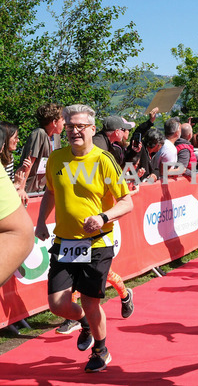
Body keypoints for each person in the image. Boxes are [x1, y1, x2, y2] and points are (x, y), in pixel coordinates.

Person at [34, 104, 133, 373]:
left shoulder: (104, 160)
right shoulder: (57, 158)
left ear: (92, 129)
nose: (74, 131)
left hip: (98, 241)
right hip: (65, 242)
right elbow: (50, 192)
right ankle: (86, 322)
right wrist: (41, 221)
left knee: (90, 301)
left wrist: (103, 217)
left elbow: (127, 202)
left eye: (80, 126)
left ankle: (101, 350)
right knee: (57, 304)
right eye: (70, 126)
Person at [0, 125, 34, 287]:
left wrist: (19, 183)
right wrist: (16, 186)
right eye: (15, 138)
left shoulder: (10, 159)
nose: (18, 141)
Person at [18, 103, 64, 193]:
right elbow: (29, 164)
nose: (65, 123)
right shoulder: (39, 134)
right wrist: (21, 188)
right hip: (28, 189)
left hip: (42, 189)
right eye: (63, 120)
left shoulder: (56, 137)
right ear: (54, 122)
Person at [0, 121, 30, 205]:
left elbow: (10, 185)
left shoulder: (10, 157)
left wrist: (22, 171)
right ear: (6, 139)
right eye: (15, 137)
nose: (18, 140)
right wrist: (16, 184)